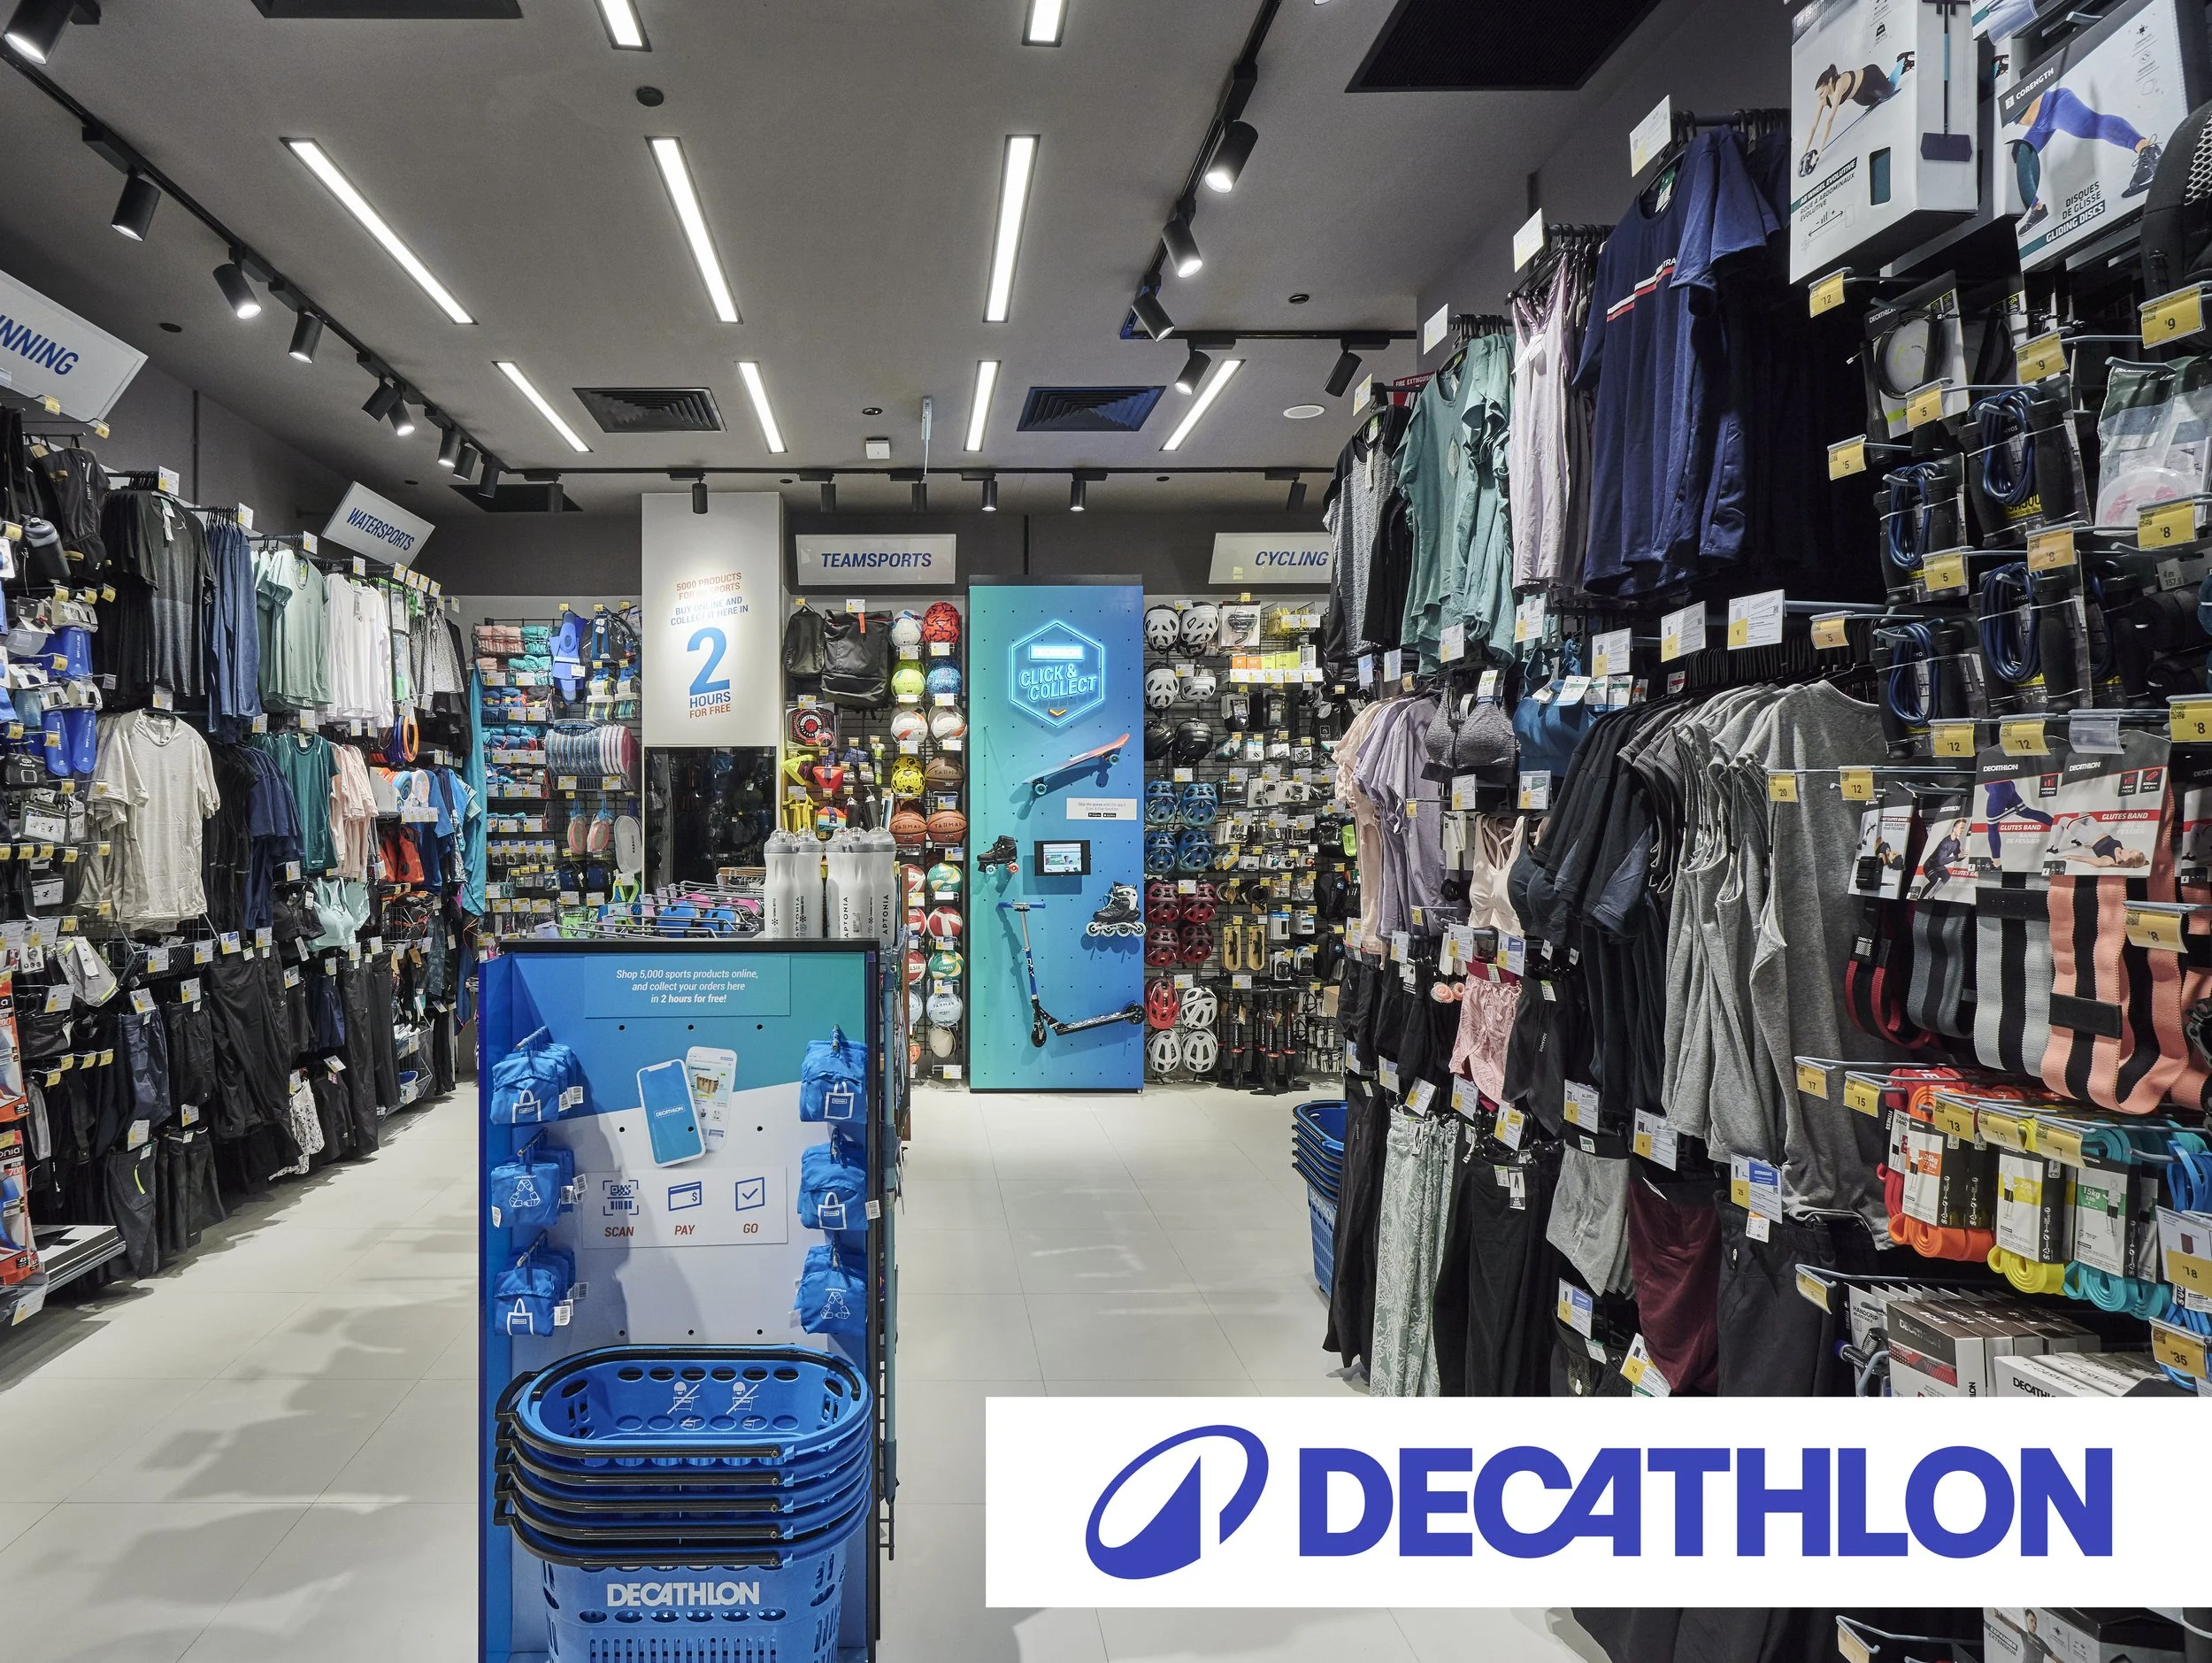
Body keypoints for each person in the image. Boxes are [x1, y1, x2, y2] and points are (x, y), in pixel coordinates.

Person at [2012, 84, 2162, 233]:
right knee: (2022, 159)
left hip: (2054, 105)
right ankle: (2038, 209)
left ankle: (2148, 150)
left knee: (2093, 125)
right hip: (2039, 125)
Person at [1801, 54, 1915, 173]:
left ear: (1830, 82)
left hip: (1870, 77)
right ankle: (1896, 74)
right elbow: (1813, 126)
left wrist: (1819, 152)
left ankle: (1903, 60)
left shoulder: (1839, 84)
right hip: (1861, 97)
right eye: (1819, 95)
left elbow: (1829, 121)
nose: (1821, 96)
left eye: (1822, 92)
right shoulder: (1823, 99)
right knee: (1880, 92)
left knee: (1888, 92)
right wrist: (1804, 154)